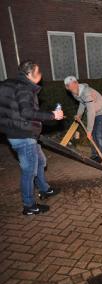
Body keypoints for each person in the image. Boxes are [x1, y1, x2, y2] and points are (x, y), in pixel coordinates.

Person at [0, 60, 64, 215]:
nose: (41, 75)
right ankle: (29, 205)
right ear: (30, 74)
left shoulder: (10, 83)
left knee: (41, 161)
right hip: (23, 135)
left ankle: (44, 189)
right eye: (39, 72)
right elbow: (27, 113)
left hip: (20, 132)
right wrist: (52, 115)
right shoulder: (24, 88)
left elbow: (14, 109)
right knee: (29, 172)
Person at [64, 76, 102, 163]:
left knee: (99, 134)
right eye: (70, 86)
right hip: (94, 111)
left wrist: (88, 130)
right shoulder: (75, 93)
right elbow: (82, 103)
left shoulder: (86, 93)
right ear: (67, 87)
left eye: (74, 84)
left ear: (77, 83)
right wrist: (79, 114)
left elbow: (91, 112)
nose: (73, 87)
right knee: (92, 135)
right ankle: (94, 155)